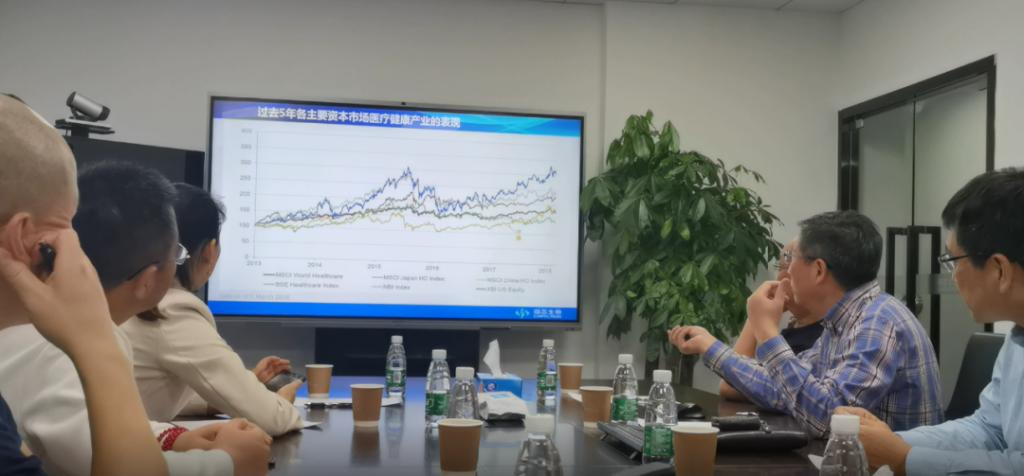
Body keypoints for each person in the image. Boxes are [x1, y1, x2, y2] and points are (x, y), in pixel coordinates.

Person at [0, 96, 265, 476]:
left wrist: (172, 438)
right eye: (66, 226)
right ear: (23, 237)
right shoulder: (56, 343)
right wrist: (227, 464)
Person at [669, 210, 943, 436]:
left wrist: (767, 332)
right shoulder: (846, 319)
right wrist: (710, 346)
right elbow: (787, 389)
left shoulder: (877, 323)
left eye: (791, 259)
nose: (786, 270)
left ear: (818, 269)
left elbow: (828, 419)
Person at [839, 169, 1024, 475]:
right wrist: (892, 443)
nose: (953, 276)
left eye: (953, 261)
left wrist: (905, 460)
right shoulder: (1018, 336)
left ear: (999, 270)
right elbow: (989, 429)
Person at [121, 183, 303, 436]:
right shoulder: (173, 311)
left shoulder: (130, 296)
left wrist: (241, 387)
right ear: (210, 251)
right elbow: (272, 419)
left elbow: (145, 388)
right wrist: (281, 401)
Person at [719, 239, 824, 402]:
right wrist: (757, 313)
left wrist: (757, 317)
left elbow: (733, 384)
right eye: (779, 268)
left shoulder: (820, 337)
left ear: (819, 273)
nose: (781, 277)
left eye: (786, 268)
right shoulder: (796, 328)